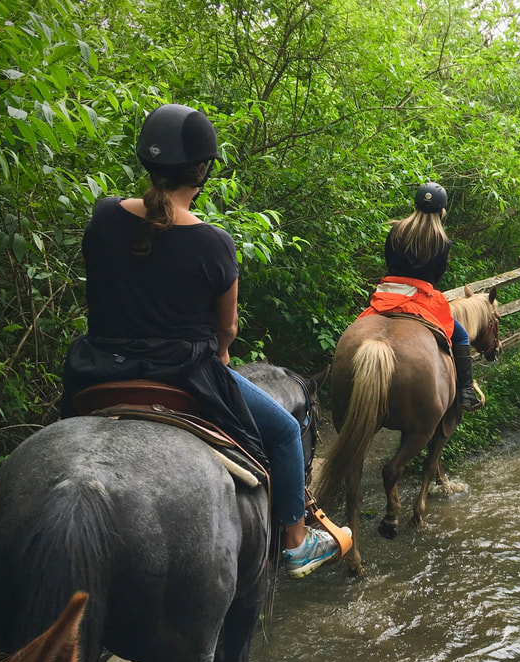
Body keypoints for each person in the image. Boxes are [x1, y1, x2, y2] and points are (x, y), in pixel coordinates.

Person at [61, 102, 351, 578]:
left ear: (147, 162)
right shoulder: (213, 243)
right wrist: (220, 354)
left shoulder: (104, 215)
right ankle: (297, 544)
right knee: (281, 430)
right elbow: (227, 330)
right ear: (202, 171)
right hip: (182, 376)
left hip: (98, 371)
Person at [360, 181, 483, 411]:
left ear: (415, 205)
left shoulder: (396, 231)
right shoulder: (442, 242)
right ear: (442, 211)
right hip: (420, 298)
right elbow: (436, 277)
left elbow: (389, 262)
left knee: (360, 325)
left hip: (388, 293)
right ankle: (466, 391)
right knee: (462, 336)